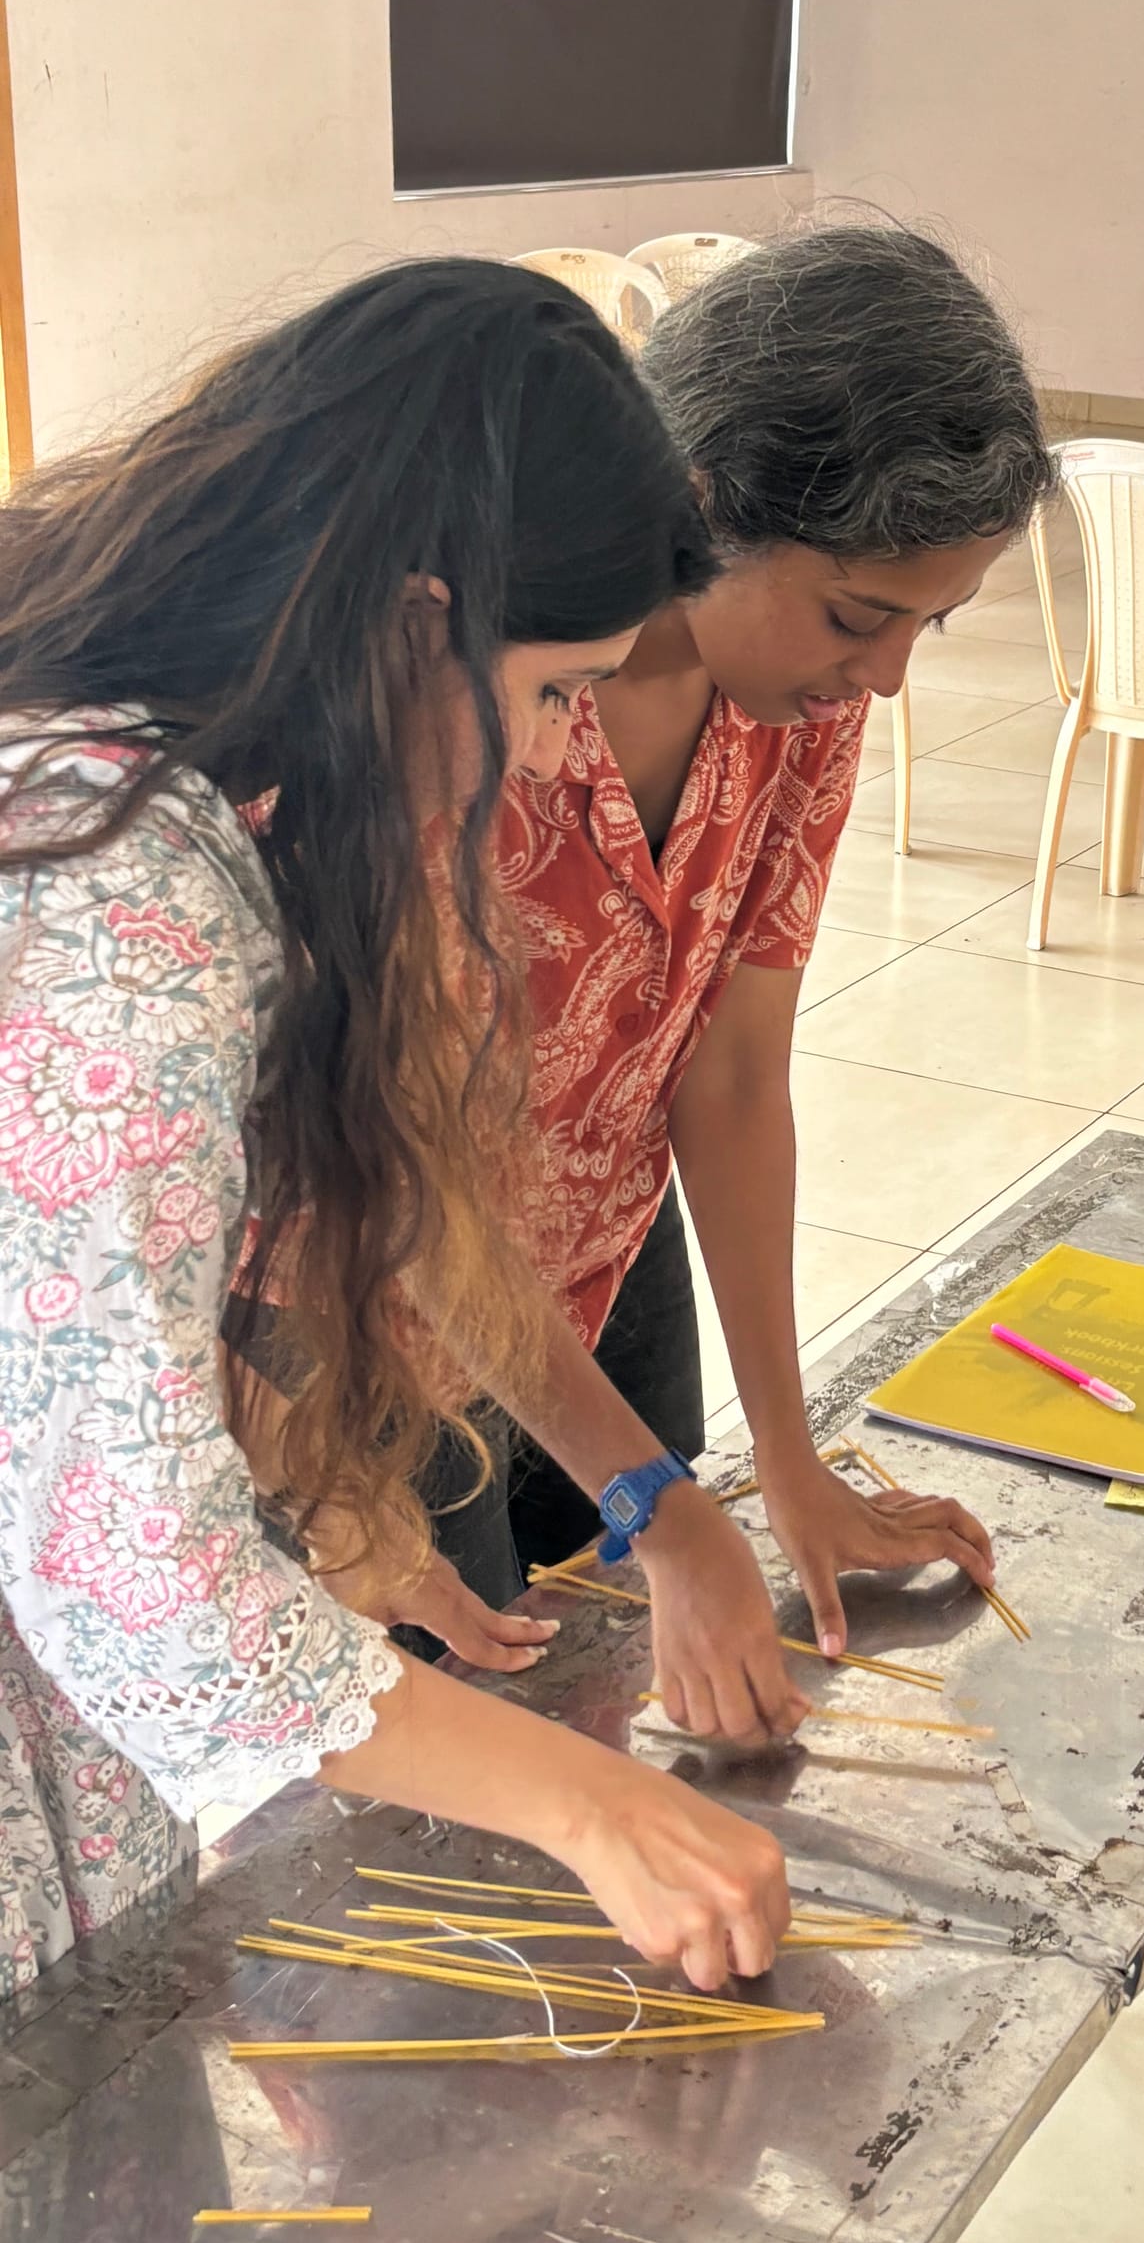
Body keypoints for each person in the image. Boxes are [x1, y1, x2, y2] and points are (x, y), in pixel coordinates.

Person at [0, 258, 789, 1998]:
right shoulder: (118, 901)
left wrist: (328, 1488)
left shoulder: (160, 775)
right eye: (556, 689)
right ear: (415, 626)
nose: (556, 750)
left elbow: (75, 1305)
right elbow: (126, 1569)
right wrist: (589, 1805)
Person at [420, 224, 1058, 1748]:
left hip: (608, 1239)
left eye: (927, 626)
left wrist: (786, 1459)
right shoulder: (470, 701)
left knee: (620, 1685)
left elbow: (732, 1066)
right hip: (397, 1297)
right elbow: (398, 1181)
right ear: (702, 506)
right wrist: (656, 1496)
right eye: (858, 616)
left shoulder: (798, 708)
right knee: (461, 1745)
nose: (886, 678)